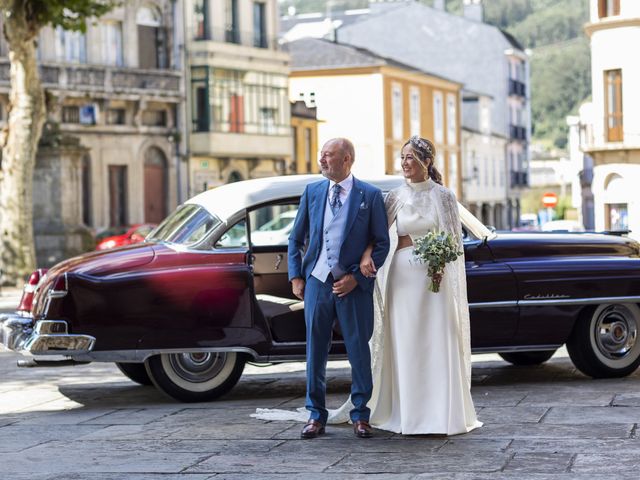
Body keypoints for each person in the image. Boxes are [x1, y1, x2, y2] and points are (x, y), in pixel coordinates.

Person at [361, 135, 482, 434]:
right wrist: (365, 256)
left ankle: (440, 413)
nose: (405, 163)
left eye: (411, 158)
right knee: (406, 341)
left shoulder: (443, 196)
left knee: (435, 341)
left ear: (427, 162)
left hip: (435, 280)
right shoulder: (394, 197)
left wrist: (441, 263)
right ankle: (407, 414)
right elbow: (376, 238)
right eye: (402, 157)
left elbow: (454, 242)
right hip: (402, 279)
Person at [287, 137, 390, 439]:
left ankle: (360, 414)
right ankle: (316, 415)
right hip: (317, 282)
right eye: (321, 154)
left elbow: (382, 243)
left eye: (328, 155)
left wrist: (357, 277)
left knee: (358, 350)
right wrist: (296, 277)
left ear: (347, 160)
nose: (322, 159)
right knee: (315, 350)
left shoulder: (369, 196)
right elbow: (295, 239)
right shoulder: (313, 191)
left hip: (353, 286)